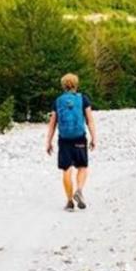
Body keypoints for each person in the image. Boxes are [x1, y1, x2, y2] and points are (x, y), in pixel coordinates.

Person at [45, 73, 96, 211]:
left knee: (66, 169)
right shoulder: (83, 99)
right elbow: (90, 120)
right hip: (79, 138)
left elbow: (52, 124)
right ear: (76, 84)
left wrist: (48, 142)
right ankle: (79, 190)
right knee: (82, 167)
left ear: (63, 85)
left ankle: (69, 202)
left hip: (64, 139)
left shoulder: (58, 101)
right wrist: (93, 138)